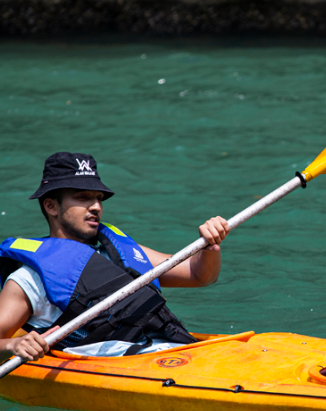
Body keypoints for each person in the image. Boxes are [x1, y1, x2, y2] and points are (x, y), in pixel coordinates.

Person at [0, 152, 229, 360]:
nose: (96, 206)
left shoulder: (118, 253)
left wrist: (209, 246)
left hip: (170, 349)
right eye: (82, 198)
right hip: (119, 366)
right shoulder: (29, 279)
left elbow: (199, 275)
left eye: (99, 198)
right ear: (51, 206)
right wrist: (14, 344)